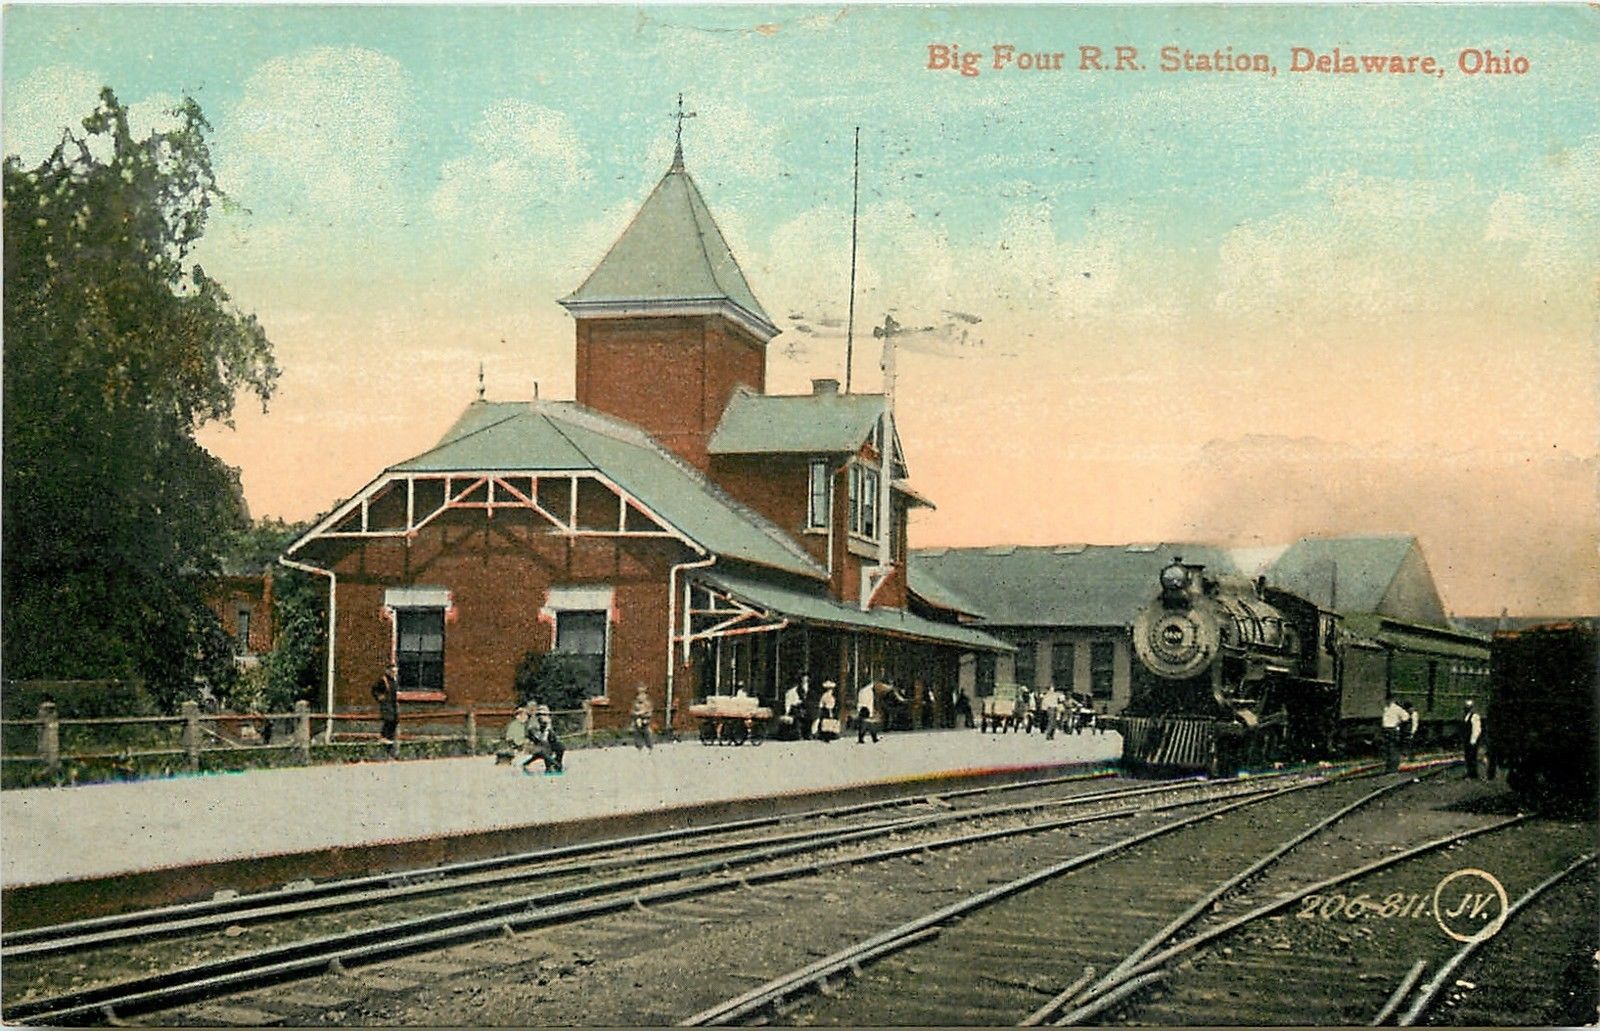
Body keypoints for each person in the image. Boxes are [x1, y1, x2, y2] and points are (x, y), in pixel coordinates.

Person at [524, 704, 566, 775]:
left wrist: (549, 730)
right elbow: (538, 739)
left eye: (545, 714)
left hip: (546, 745)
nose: (543, 716)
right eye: (541, 714)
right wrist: (544, 729)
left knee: (560, 746)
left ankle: (558, 764)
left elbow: (553, 738)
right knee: (545, 748)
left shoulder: (547, 724)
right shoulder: (533, 725)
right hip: (534, 745)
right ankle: (551, 766)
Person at [371, 663, 400, 758]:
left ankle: (390, 746)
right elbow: (374, 689)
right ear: (388, 671)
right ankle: (383, 738)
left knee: (395, 721)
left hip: (393, 704)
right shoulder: (383, 680)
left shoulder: (394, 681)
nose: (394, 673)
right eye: (392, 672)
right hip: (386, 705)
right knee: (388, 720)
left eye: (395, 672)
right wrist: (379, 697)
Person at [1381, 695, 1407, 773]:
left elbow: (1406, 717)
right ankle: (1389, 768)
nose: (1387, 702)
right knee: (1388, 749)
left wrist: (1398, 723)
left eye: (1388, 700)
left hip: (1393, 730)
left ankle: (1393, 768)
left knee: (1393, 749)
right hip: (1386, 730)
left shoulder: (1397, 708)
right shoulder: (1386, 708)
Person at [1462, 700, 1483, 779]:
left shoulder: (1475, 716)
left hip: (1472, 740)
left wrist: (1473, 740)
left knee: (1472, 757)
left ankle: (1473, 774)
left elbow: (1476, 729)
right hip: (1467, 740)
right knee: (1468, 757)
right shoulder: (1466, 716)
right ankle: (1469, 772)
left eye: (1468, 707)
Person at [631, 684, 654, 751]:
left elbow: (649, 711)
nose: (640, 697)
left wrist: (644, 714)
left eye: (642, 694)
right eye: (639, 694)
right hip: (638, 719)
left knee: (647, 732)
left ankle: (649, 746)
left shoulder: (647, 703)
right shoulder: (635, 703)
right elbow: (632, 711)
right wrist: (635, 714)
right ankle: (639, 746)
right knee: (637, 732)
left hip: (645, 719)